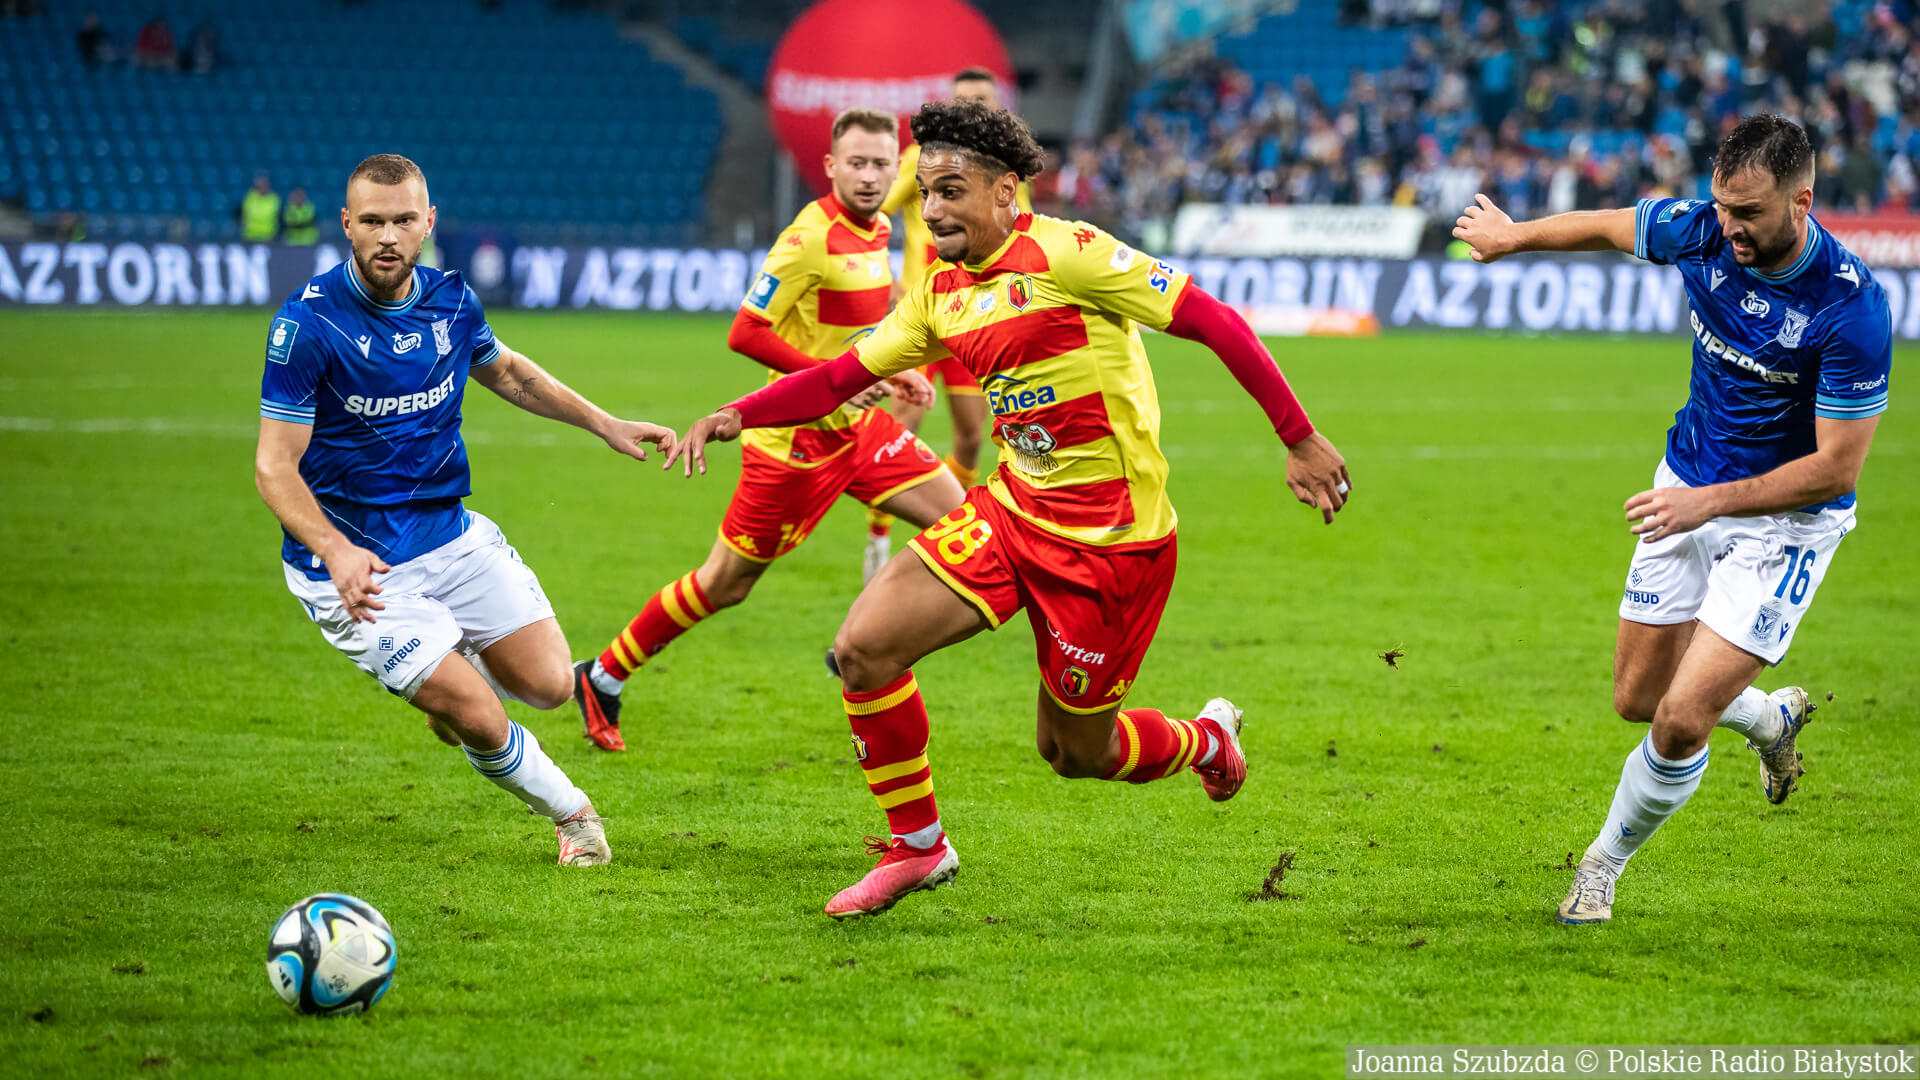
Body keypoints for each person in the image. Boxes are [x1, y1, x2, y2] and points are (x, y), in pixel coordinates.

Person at [664, 100, 1351, 918]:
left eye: (952, 190)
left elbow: (1213, 319)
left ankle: (1207, 740)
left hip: (1110, 546)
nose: (933, 209)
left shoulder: (1071, 254)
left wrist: (1299, 436)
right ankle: (919, 847)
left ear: (1005, 190)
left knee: (1075, 752)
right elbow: (840, 378)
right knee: (863, 649)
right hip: (1010, 514)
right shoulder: (939, 293)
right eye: (927, 192)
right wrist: (739, 413)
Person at [1452, 115, 1890, 924]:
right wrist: (1514, 238)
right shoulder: (1702, 231)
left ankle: (1599, 868)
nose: (1730, 228)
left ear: (1801, 202)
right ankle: (1768, 715)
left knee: (1682, 719)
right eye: (1722, 206)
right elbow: (1609, 224)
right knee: (1638, 697)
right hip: (1685, 486)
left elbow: (1837, 469)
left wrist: (1709, 502)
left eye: (1748, 213)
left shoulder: (1851, 309)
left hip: (1785, 525)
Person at [254, 154, 675, 866]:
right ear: (347, 224)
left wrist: (604, 423)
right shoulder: (309, 325)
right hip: (357, 571)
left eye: (403, 220)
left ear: (428, 223)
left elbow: (506, 371)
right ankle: (575, 819)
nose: (389, 236)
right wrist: (335, 550)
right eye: (373, 221)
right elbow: (274, 467)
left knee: (549, 686)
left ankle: (446, 691)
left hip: (450, 537)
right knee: (482, 712)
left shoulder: (452, 301)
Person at [572, 109, 963, 752]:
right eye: (857, 164)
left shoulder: (879, 226)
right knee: (725, 583)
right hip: (792, 447)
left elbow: (855, 332)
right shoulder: (808, 238)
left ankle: (867, 637)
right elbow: (745, 332)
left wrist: (892, 373)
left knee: (967, 526)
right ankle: (603, 674)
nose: (870, 176)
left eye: (881, 164)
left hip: (860, 430)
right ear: (831, 166)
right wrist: (833, 380)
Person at [862, 67, 1033, 583]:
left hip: (976, 318)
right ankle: (878, 542)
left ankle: (949, 540)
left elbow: (1023, 236)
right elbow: (871, 214)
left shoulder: (1003, 172)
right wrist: (887, 278)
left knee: (970, 438)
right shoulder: (921, 161)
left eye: (980, 100)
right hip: (923, 315)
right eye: (964, 100)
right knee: (900, 430)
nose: (971, 109)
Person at [241, 174, 279, 243]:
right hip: (251, 235)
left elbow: (267, 214)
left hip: (267, 235)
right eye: (259, 187)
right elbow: (247, 213)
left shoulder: (273, 198)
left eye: (264, 186)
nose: (261, 189)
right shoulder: (250, 197)